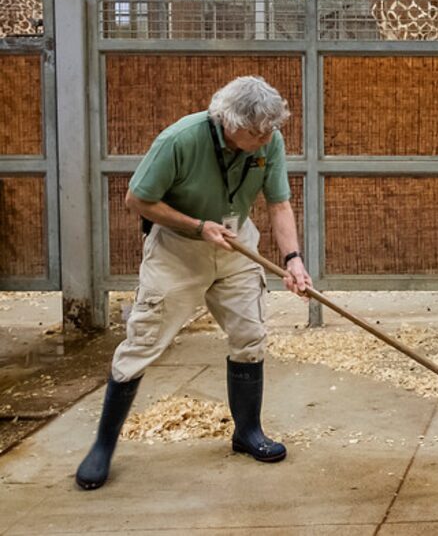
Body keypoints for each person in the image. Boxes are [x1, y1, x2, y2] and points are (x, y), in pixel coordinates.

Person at [75, 76, 314, 490]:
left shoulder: (268, 142)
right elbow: (138, 199)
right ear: (228, 121)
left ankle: (247, 432)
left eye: (269, 130)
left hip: (237, 244)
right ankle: (102, 446)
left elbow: (278, 204)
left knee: (250, 334)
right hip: (178, 250)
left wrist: (293, 259)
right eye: (255, 132)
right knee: (143, 341)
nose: (264, 139)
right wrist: (196, 226)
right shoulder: (180, 140)